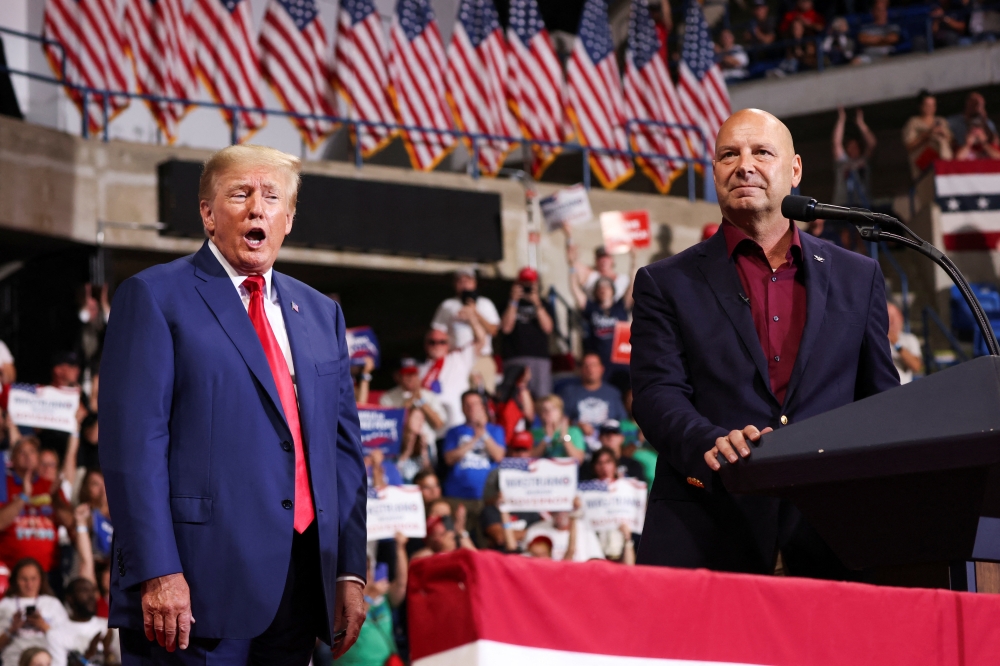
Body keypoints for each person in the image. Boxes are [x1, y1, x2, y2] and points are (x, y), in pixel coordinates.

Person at [100, 145, 368, 663]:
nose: (256, 208)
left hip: (299, 587)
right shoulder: (153, 296)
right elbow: (133, 448)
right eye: (240, 194)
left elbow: (343, 454)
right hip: (192, 591)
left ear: (287, 219)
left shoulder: (320, 313)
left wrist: (347, 571)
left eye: (272, 197)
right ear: (207, 212)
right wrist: (158, 570)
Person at [629, 108, 898, 577]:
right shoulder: (663, 282)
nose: (744, 165)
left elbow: (879, 402)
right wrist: (709, 441)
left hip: (833, 534)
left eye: (762, 152)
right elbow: (655, 394)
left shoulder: (860, 276)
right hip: (709, 527)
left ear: (794, 170)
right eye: (728, 154)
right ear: (714, 172)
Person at [0, 438, 64, 578]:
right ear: (12, 459)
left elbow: (70, 522)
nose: (28, 456)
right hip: (11, 572)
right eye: (22, 452)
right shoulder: (3, 485)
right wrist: (23, 497)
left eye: (32, 452)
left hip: (49, 572)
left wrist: (56, 499)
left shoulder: (50, 486)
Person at [431, 268, 501, 393]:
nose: (464, 284)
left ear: (474, 283)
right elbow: (437, 333)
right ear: (454, 285)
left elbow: (494, 331)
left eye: (467, 280)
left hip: (482, 357)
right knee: (458, 394)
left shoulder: (485, 303)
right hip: (456, 359)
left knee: (485, 396)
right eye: (459, 281)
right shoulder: (448, 305)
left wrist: (475, 314)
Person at [570, 272, 634, 393]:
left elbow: (632, 286)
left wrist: (634, 263)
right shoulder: (591, 308)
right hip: (600, 364)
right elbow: (575, 290)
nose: (603, 289)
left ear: (613, 290)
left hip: (622, 362)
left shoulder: (620, 307)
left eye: (607, 286)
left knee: (626, 393)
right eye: (600, 287)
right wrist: (572, 267)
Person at [0, 558, 69, 666]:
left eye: (33, 579)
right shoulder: (5, 604)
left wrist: (43, 626)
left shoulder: (52, 603)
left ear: (41, 579)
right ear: (14, 580)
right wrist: (12, 629)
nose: (29, 584)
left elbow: (67, 642)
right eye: (24, 579)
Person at [379, 357, 446, 466]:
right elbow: (390, 425)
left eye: (413, 374)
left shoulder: (429, 395)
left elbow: (439, 423)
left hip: (426, 448)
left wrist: (421, 400)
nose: (411, 378)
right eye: (406, 374)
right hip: (401, 449)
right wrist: (410, 402)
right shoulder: (387, 398)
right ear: (397, 377)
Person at [419, 323, 485, 431]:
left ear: (448, 344)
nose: (437, 345)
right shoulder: (420, 369)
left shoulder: (458, 358)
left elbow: (481, 340)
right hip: (431, 425)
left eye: (442, 342)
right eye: (432, 342)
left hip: (456, 423)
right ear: (426, 345)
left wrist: (472, 318)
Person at [499, 268, 554, 398]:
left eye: (530, 284)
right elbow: (506, 328)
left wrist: (536, 302)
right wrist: (513, 301)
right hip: (514, 357)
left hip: (539, 358)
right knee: (514, 398)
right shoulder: (506, 305)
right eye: (523, 284)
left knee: (542, 398)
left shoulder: (544, 304)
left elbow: (548, 328)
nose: (527, 287)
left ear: (537, 284)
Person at [441, 392, 506, 500]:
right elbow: (449, 459)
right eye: (467, 404)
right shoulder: (454, 432)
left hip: (488, 495)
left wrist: (483, 433)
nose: (472, 408)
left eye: (475, 404)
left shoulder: (495, 430)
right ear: (462, 408)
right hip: (458, 494)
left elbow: (499, 456)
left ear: (482, 406)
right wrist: (475, 438)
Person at [557, 353, 627, 449]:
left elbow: (622, 420)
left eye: (594, 365)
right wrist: (577, 424)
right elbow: (560, 420)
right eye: (586, 366)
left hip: (608, 443)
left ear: (602, 369)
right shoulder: (569, 392)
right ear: (580, 369)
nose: (590, 369)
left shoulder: (613, 393)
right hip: (579, 443)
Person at [47, 578, 118, 666]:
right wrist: (89, 655)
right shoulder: (56, 634)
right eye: (84, 591)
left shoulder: (108, 626)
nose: (91, 596)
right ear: (70, 598)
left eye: (93, 591)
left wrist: (107, 651)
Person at [565, 232, 632, 301]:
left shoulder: (624, 280)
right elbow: (572, 261)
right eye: (600, 257)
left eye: (606, 256)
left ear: (613, 259)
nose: (603, 260)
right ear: (595, 260)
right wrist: (569, 236)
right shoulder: (590, 276)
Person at [832, 107, 877, 208]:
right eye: (850, 147)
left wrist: (861, 123)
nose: (853, 149)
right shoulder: (842, 162)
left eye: (855, 146)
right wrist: (841, 119)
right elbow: (837, 143)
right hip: (843, 206)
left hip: (863, 205)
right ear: (847, 149)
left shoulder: (864, 161)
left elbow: (872, 144)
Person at [902, 90, 953, 179]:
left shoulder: (941, 121)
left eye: (933, 105)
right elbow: (909, 145)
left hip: (943, 164)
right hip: (924, 166)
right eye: (927, 105)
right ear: (920, 106)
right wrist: (928, 134)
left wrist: (944, 135)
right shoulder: (913, 122)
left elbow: (951, 142)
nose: (931, 108)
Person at [530, 395, 586, 463]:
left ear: (561, 412)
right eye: (544, 410)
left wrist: (565, 436)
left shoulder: (574, 431)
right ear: (539, 414)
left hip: (566, 472)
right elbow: (528, 460)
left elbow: (579, 460)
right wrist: (546, 438)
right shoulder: (533, 433)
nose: (549, 412)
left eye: (553, 409)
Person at [492, 364, 535, 445]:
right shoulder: (522, 392)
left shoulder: (499, 391)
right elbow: (530, 415)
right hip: (512, 434)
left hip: (503, 435)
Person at [887, 302, 923, 384]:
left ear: (900, 318)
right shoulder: (876, 340)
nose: (892, 322)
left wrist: (896, 344)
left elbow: (916, 366)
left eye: (894, 318)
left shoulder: (909, 339)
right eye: (888, 318)